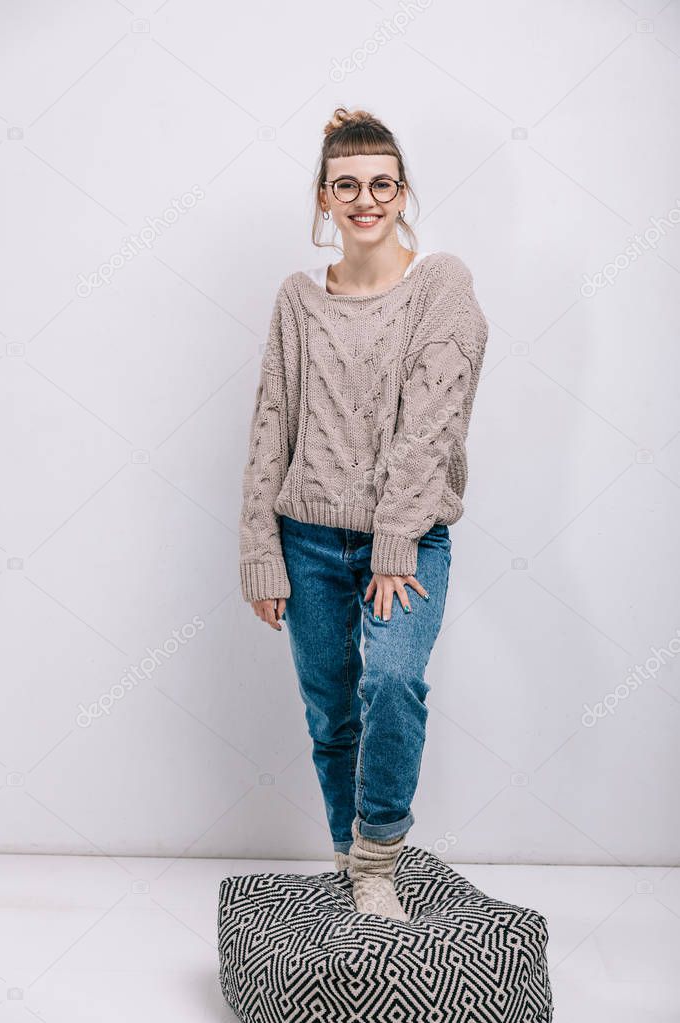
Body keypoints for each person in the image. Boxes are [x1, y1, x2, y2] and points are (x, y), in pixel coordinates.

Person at [238, 106, 488, 921]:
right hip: (305, 538)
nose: (365, 198)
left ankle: (378, 854)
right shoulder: (297, 300)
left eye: (382, 183)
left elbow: (431, 423)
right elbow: (271, 420)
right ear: (323, 198)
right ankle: (347, 854)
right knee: (331, 703)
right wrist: (260, 551)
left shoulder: (440, 283)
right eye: (346, 185)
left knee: (392, 680)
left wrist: (392, 546)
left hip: (406, 539)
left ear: (403, 190)